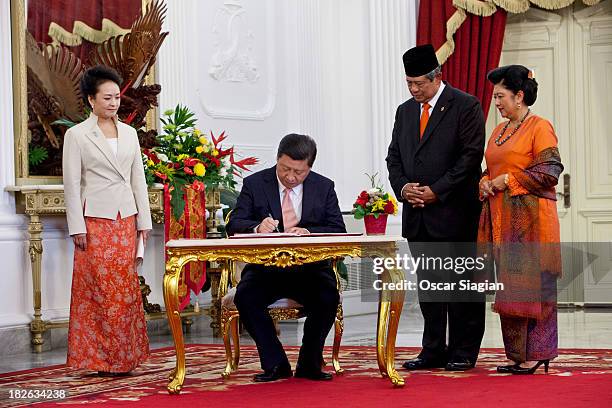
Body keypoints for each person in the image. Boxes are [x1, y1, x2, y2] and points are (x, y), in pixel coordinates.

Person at [386, 44, 486, 371]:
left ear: (437, 76)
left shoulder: (465, 105)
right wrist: (403, 188)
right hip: (418, 216)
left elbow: (469, 158)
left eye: (420, 84)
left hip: (455, 214)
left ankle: (462, 351)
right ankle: (432, 350)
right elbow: (394, 158)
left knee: (459, 287)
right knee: (429, 288)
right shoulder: (404, 111)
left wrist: (436, 192)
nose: (414, 89)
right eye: (409, 83)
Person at [226, 134, 346, 382]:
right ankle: (275, 363)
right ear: (277, 159)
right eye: (285, 169)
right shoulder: (255, 184)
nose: (291, 177)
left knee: (327, 297)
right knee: (246, 297)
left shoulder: (324, 186)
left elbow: (338, 228)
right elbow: (235, 224)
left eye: (299, 172)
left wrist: (309, 231)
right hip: (265, 269)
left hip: (310, 269)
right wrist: (258, 227)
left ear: (309, 167)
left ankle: (309, 364)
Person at [63, 65, 152, 376]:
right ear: (91, 99)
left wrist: (145, 221)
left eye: (116, 97)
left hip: (126, 220)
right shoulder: (76, 135)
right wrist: (77, 226)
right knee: (100, 290)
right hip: (95, 222)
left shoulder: (130, 133)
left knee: (126, 288)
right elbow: (72, 185)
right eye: (107, 97)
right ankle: (101, 359)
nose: (113, 103)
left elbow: (137, 179)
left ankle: (126, 357)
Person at [478, 65, 563, 375]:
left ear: (520, 95)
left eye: (500, 96)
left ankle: (538, 354)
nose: (496, 102)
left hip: (533, 223)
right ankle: (516, 355)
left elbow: (549, 171)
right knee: (511, 287)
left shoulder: (540, 127)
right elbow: (491, 169)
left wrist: (506, 181)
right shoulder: (499, 131)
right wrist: (485, 181)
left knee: (536, 289)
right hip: (502, 222)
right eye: (495, 97)